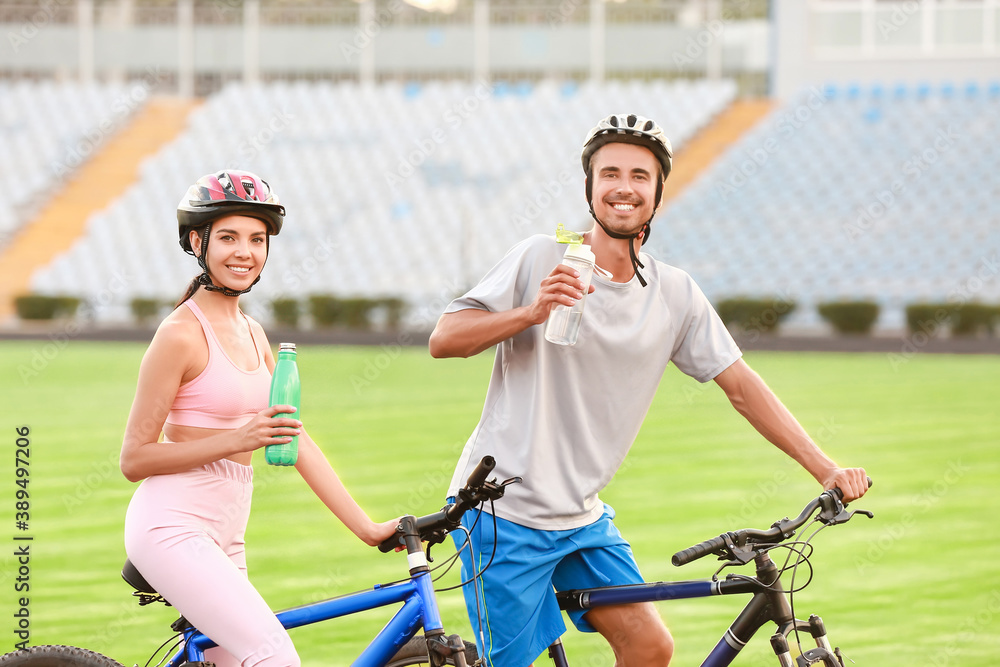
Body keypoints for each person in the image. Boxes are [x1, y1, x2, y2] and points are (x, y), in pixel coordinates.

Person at [428, 114, 869, 667]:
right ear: (590, 187)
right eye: (609, 172)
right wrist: (532, 311)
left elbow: (741, 386)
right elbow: (445, 339)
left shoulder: (674, 293)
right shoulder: (542, 257)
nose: (623, 187)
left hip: (581, 518)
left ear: (658, 193)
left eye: (640, 176)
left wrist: (824, 468)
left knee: (650, 645)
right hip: (501, 515)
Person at [120, 170, 397, 667]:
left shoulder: (252, 332)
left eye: (257, 239)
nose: (244, 251)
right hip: (171, 525)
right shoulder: (180, 334)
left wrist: (368, 529)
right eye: (228, 237)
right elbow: (134, 458)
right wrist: (237, 438)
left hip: (227, 533)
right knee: (274, 657)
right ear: (196, 241)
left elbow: (295, 436)